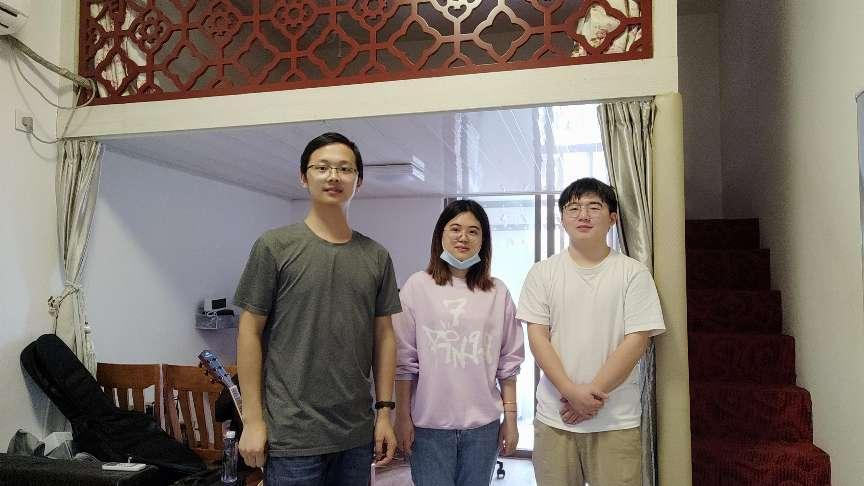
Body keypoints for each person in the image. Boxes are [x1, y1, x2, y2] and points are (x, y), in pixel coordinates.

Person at [233, 132, 402, 485]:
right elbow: (249, 331)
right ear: (303, 176)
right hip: (293, 436)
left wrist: (385, 413)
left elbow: (384, 338)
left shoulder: (376, 256)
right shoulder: (274, 247)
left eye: (345, 169)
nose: (333, 176)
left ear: (359, 180)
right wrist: (253, 420)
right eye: (322, 167)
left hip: (355, 435)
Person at [516, 178, 666, 486]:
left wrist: (589, 396)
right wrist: (571, 393)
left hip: (616, 420)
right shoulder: (542, 273)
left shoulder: (633, 273)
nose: (583, 215)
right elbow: (538, 338)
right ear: (562, 219)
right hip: (555, 418)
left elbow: (636, 342)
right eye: (573, 208)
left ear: (613, 218)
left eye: (594, 207)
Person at [393, 199, 525, 486]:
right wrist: (401, 417)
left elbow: (508, 365)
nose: (463, 237)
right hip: (428, 427)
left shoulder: (498, 292)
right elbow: (404, 363)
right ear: (440, 235)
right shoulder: (417, 286)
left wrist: (511, 420)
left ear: (483, 240)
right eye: (455, 229)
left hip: (482, 429)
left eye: (473, 231)